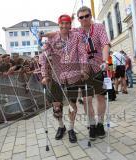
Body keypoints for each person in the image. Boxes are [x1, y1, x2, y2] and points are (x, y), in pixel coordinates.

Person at [40, 14, 88, 143]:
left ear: (70, 24)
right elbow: (43, 57)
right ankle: (61, 127)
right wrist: (44, 75)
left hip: (74, 76)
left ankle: (71, 129)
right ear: (59, 24)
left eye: (67, 23)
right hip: (57, 76)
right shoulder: (53, 38)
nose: (65, 26)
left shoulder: (76, 36)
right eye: (62, 23)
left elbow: (83, 54)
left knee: (72, 105)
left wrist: (83, 68)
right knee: (56, 106)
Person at [75, 6, 110, 139]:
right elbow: (59, 32)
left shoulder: (99, 27)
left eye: (86, 16)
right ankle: (92, 125)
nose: (84, 19)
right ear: (78, 19)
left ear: (90, 16)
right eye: (81, 17)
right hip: (84, 70)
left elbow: (105, 44)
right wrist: (44, 35)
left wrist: (106, 61)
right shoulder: (76, 31)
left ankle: (100, 124)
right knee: (86, 99)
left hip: (98, 67)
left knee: (100, 97)